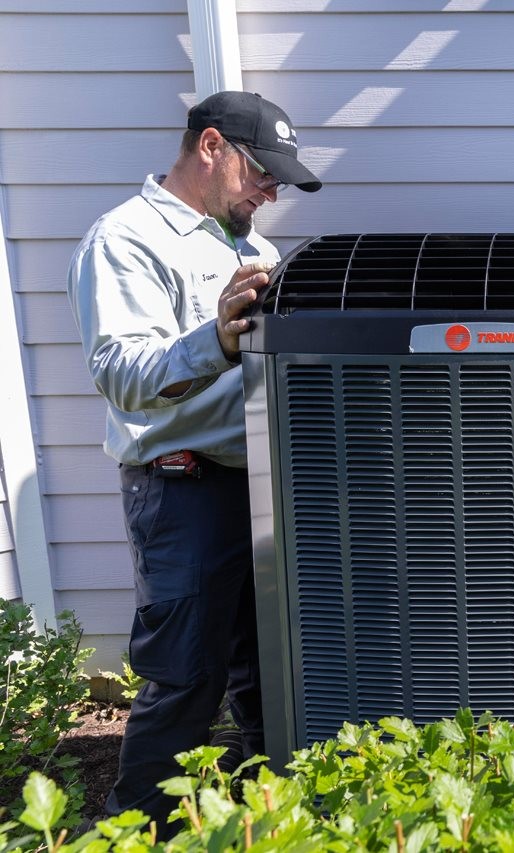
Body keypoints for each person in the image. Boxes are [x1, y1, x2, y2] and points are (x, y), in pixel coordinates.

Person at [66, 91, 322, 831]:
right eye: (262, 174)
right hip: (183, 488)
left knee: (267, 670)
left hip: (261, 488)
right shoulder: (126, 240)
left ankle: (263, 817)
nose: (271, 192)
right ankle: (131, 829)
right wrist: (216, 340)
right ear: (211, 146)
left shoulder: (253, 248)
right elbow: (121, 372)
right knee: (186, 678)